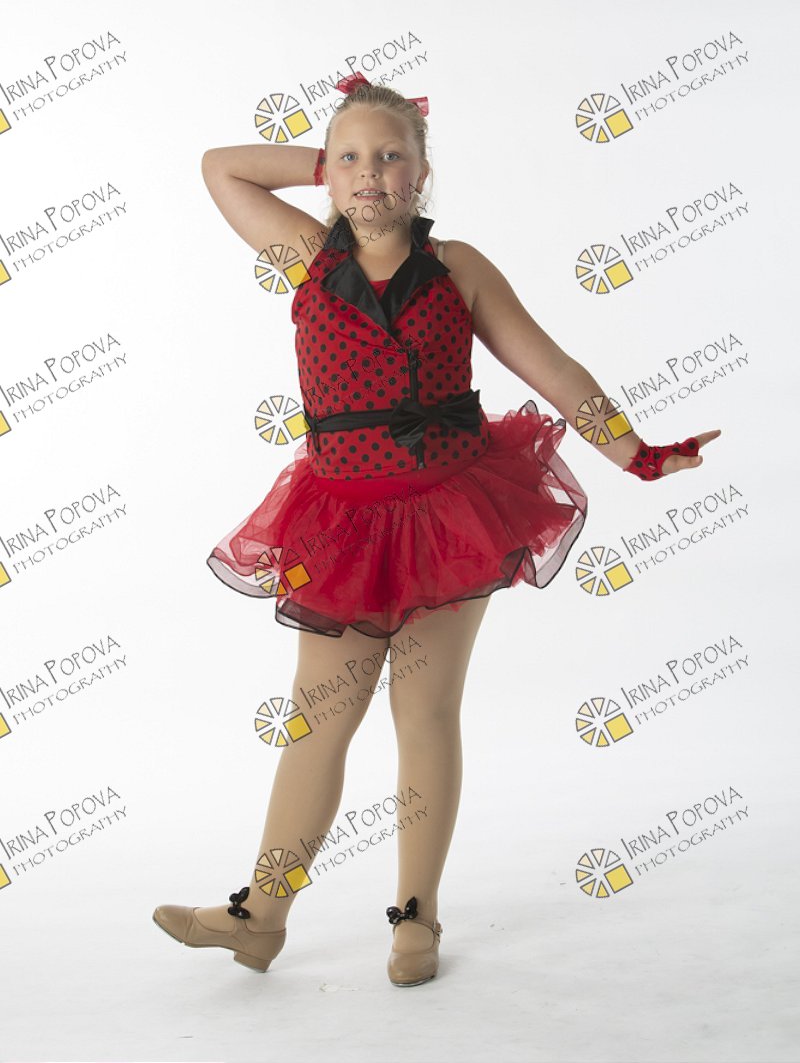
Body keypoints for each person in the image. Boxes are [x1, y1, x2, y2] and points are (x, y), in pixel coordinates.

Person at [153, 73, 721, 984]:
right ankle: (260, 914)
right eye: (350, 159)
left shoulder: (457, 268)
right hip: (341, 525)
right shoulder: (306, 255)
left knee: (422, 712)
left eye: (391, 157)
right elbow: (222, 167)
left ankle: (415, 917)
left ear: (421, 173)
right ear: (326, 174)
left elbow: (551, 365)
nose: (370, 173)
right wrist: (331, 163)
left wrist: (638, 454)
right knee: (316, 721)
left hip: (447, 518)